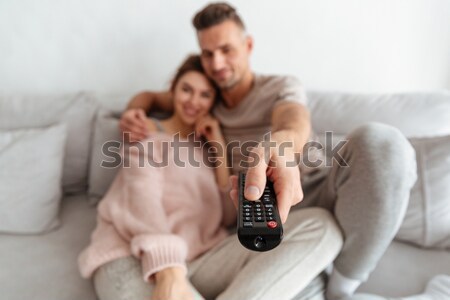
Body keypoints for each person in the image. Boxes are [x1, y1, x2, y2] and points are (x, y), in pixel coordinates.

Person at [119, 3, 450, 300]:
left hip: (315, 188)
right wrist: (135, 110)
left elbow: (294, 120)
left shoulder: (280, 86)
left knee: (382, 142)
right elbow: (157, 97)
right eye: (207, 54)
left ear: (248, 46)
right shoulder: (208, 97)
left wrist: (278, 147)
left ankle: (342, 289)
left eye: (226, 50)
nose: (217, 63)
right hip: (261, 212)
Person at [78, 54, 343, 300]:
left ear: (212, 105)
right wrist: (169, 269)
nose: (194, 101)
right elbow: (141, 205)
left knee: (322, 227)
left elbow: (226, 216)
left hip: (200, 258)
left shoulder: (208, 151)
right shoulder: (147, 138)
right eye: (186, 90)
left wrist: (217, 148)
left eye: (204, 95)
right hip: (132, 255)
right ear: (172, 91)